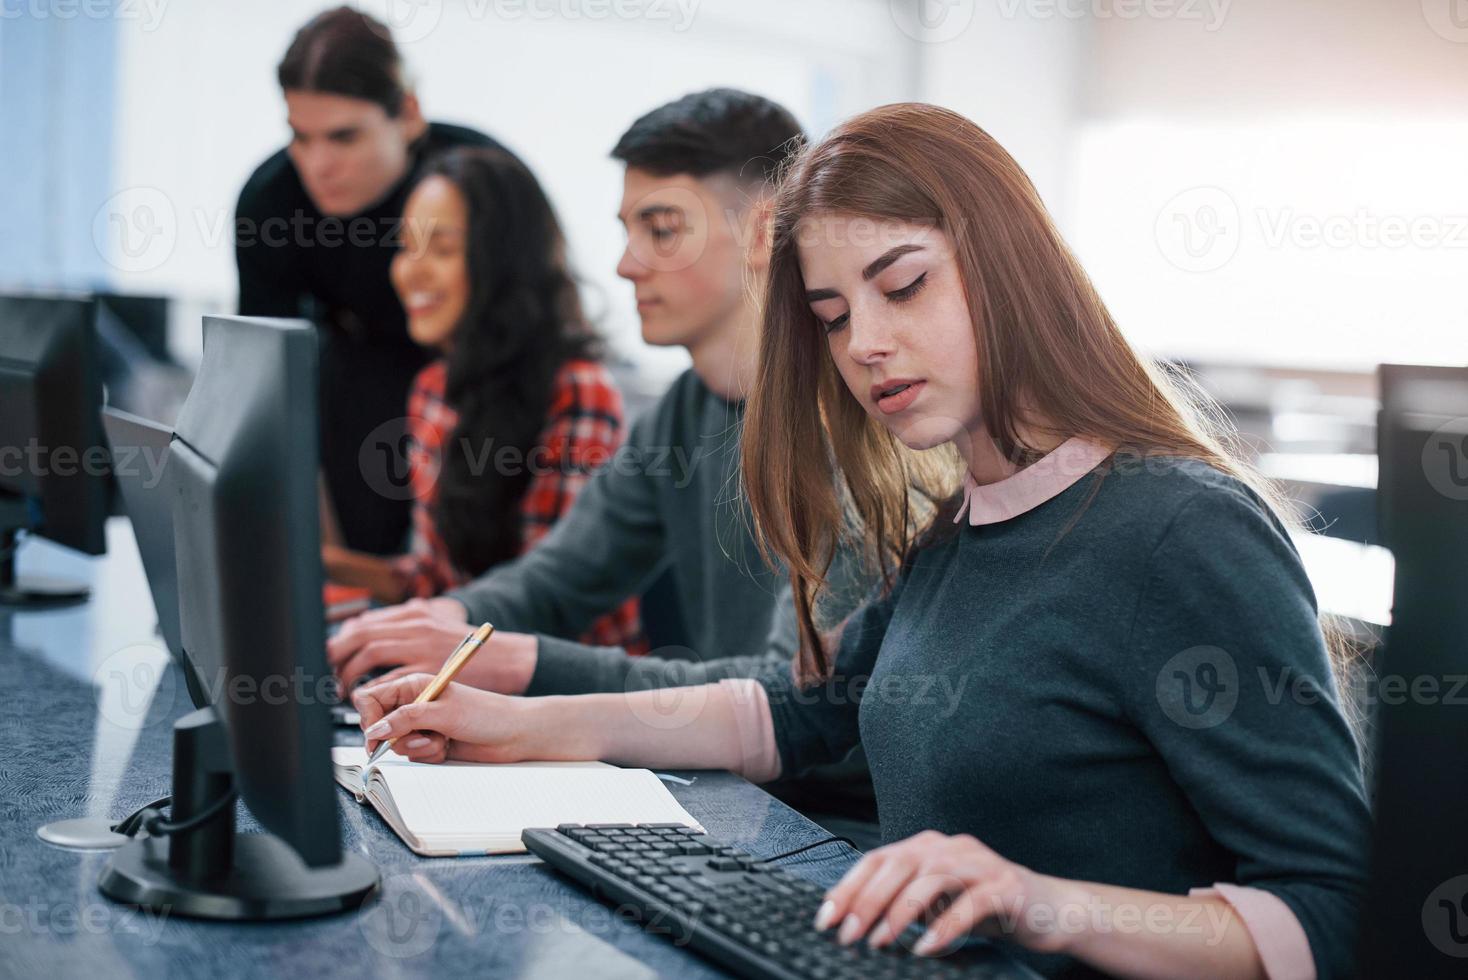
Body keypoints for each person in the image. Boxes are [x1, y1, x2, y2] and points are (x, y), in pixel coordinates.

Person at [349, 104, 1370, 980]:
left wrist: (1031, 898)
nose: (865, 344)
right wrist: (515, 724)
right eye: (835, 316)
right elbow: (797, 711)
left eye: (904, 284)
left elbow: (1332, 907)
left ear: (1010, 264)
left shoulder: (1176, 525)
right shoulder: (967, 520)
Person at [327, 89, 878, 833]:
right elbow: (562, 577)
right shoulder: (687, 407)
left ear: (764, 231)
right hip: (722, 790)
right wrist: (447, 622)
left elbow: (787, 699)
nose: (624, 266)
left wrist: (516, 665)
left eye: (661, 230)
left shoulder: (852, 418)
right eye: (628, 231)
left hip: (826, 822)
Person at [320, 148, 641, 650]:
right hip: (465, 662)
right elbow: (438, 582)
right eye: (406, 247)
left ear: (502, 263)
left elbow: (548, 607)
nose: (409, 272)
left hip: (569, 693)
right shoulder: (433, 389)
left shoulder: (578, 390)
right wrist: (327, 564)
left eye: (443, 250)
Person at [236, 6, 518, 555]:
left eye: (343, 137)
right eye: (300, 137)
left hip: (491, 374)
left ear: (408, 115)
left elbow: (538, 320)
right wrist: (327, 558)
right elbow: (267, 387)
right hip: (356, 370)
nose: (317, 165)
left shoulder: (478, 176)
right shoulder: (271, 201)